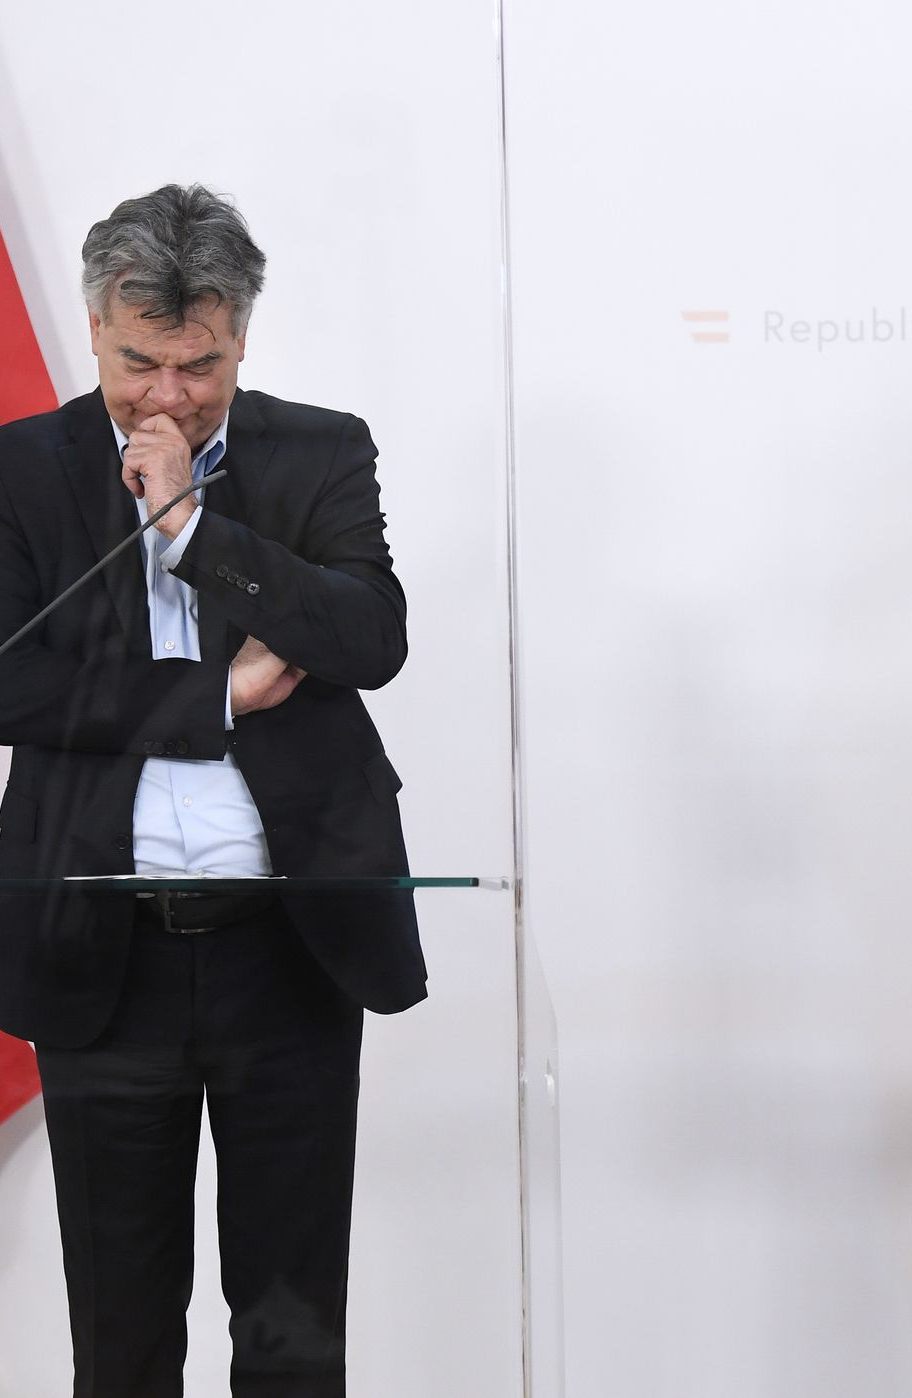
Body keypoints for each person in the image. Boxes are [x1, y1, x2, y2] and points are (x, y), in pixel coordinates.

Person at [0, 185, 425, 1398]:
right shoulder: (22, 469)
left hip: (290, 950)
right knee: (123, 1340)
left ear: (242, 335)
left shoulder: (319, 450)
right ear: (95, 328)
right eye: (141, 363)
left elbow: (369, 638)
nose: (170, 398)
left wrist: (193, 530)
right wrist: (214, 700)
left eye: (201, 366)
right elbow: (12, 679)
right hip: (102, 950)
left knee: (292, 1338)